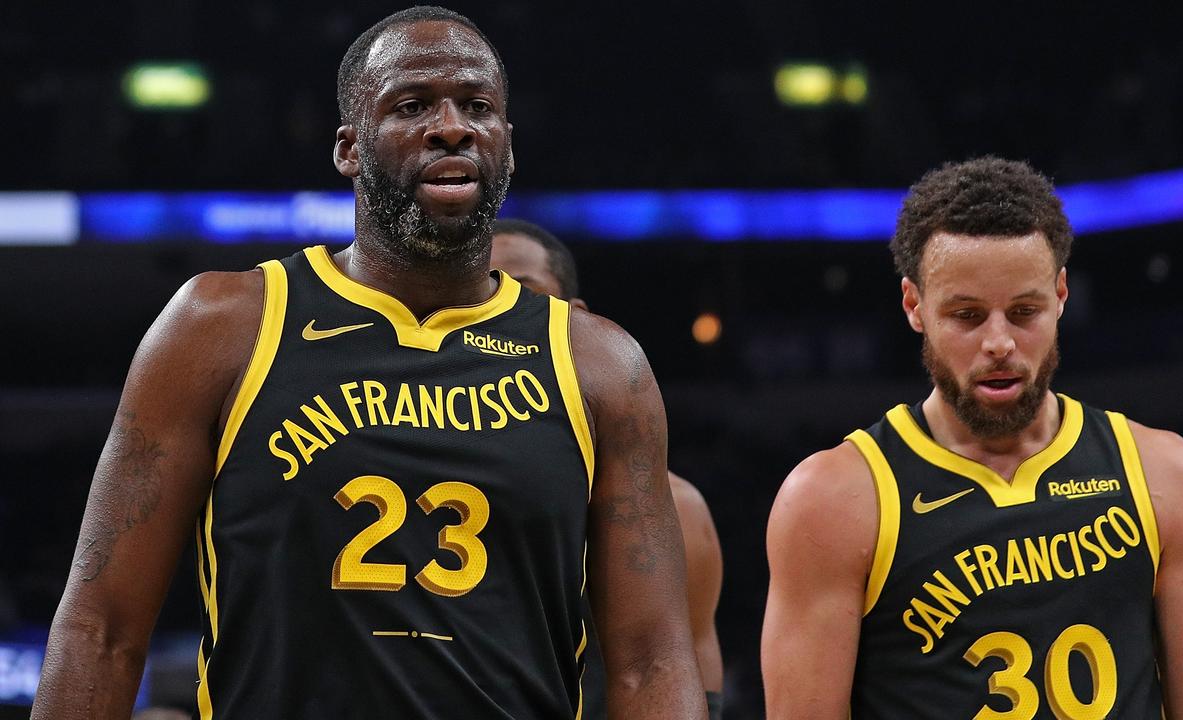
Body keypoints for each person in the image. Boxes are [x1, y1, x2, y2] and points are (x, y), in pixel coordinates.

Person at [33, 6, 706, 719]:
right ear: (349, 148)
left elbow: (650, 660)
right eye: (412, 106)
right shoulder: (221, 328)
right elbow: (101, 627)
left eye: (478, 107)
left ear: (508, 143)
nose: (452, 126)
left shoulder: (600, 363)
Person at [761, 157, 1183, 719]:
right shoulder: (833, 499)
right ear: (914, 306)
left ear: (1061, 295)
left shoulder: (1167, 473)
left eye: (1023, 312)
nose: (999, 342)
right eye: (967, 315)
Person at [490, 218, 725, 719]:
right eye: (478, 295)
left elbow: (686, 688)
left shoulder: (675, 508)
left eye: (520, 293)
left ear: (575, 321)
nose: (496, 310)